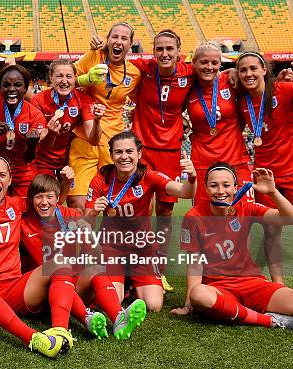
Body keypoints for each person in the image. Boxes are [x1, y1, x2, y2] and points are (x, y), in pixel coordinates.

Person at [0, 156, 73, 358]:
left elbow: (48, 201)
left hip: (15, 287)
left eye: (2, 175)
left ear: (10, 180)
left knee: (59, 263)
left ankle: (60, 331)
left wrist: (65, 184)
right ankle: (33, 338)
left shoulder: (17, 204)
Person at [21, 173, 147, 340]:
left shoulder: (71, 215)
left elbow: (96, 255)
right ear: (31, 199)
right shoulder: (23, 222)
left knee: (95, 268)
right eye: (39, 197)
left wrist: (88, 234)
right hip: (43, 289)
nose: (44, 202)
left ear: (58, 197)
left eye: (49, 197)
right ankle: (85, 317)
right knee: (58, 273)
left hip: (73, 284)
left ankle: (118, 317)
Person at [172, 163, 293, 330]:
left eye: (226, 185)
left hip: (252, 283)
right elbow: (194, 264)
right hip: (217, 288)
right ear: (206, 189)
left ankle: (241, 312)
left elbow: (288, 218)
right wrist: (188, 304)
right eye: (214, 185)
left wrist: (273, 193)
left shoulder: (247, 208)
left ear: (236, 188)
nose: (220, 191)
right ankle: (271, 321)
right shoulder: (194, 217)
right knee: (199, 295)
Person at [85, 131, 196, 312]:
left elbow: (186, 192)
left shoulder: (149, 176)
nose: (124, 157)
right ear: (111, 155)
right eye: (118, 152)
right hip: (112, 248)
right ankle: (124, 283)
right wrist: (93, 211)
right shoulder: (101, 178)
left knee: (154, 305)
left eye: (129, 151)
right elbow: (86, 222)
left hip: (142, 248)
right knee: (114, 300)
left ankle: (130, 281)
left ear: (139, 154)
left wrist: (192, 177)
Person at [128, 30, 195, 291]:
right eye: (159, 49)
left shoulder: (189, 73)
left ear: (179, 50)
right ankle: (136, 266)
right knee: (138, 208)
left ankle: (160, 268)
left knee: (165, 212)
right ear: (153, 51)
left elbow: (217, 78)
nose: (164, 54)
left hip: (170, 151)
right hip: (142, 149)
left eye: (170, 48)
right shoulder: (142, 68)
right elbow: (113, 59)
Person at [69, 22, 141, 209]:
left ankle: (116, 238)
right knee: (78, 202)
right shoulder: (93, 56)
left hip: (114, 142)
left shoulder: (134, 74)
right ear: (107, 40)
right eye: (114, 37)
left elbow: (139, 98)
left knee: (116, 203)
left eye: (124, 38)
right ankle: (80, 239)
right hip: (85, 135)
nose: (118, 41)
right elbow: (66, 80)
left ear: (130, 45)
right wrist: (86, 79)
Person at [235, 51, 293, 284]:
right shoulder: (241, 101)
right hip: (265, 175)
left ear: (264, 71)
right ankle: (277, 284)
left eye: (253, 68)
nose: (248, 74)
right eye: (243, 70)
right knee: (271, 231)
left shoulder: (285, 91)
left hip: (291, 169)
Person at [187, 42, 252, 205]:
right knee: (206, 218)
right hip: (203, 163)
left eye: (215, 63)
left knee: (243, 215)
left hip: (235, 158)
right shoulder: (186, 87)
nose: (210, 67)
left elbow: (258, 89)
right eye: (204, 62)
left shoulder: (230, 81)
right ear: (193, 63)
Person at [0, 65, 46, 197]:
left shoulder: (35, 115)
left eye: (18, 85)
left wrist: (31, 145)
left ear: (25, 88)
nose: (12, 89)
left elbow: (28, 158)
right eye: (6, 85)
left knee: (24, 213)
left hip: (23, 173)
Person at [30, 59, 103, 177]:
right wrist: (51, 134)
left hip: (69, 163)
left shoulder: (83, 99)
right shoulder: (38, 100)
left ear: (75, 78)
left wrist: (97, 121)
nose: (64, 81)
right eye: (59, 76)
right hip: (41, 162)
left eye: (69, 76)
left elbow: (93, 140)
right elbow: (41, 142)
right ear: (51, 78)